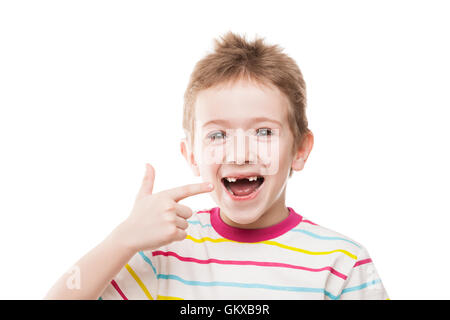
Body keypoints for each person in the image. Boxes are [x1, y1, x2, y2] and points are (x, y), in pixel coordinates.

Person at [45, 31, 389, 300]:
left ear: (300, 149)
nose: (239, 155)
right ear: (191, 155)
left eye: (264, 131)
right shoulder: (164, 252)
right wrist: (122, 240)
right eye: (218, 135)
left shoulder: (342, 263)